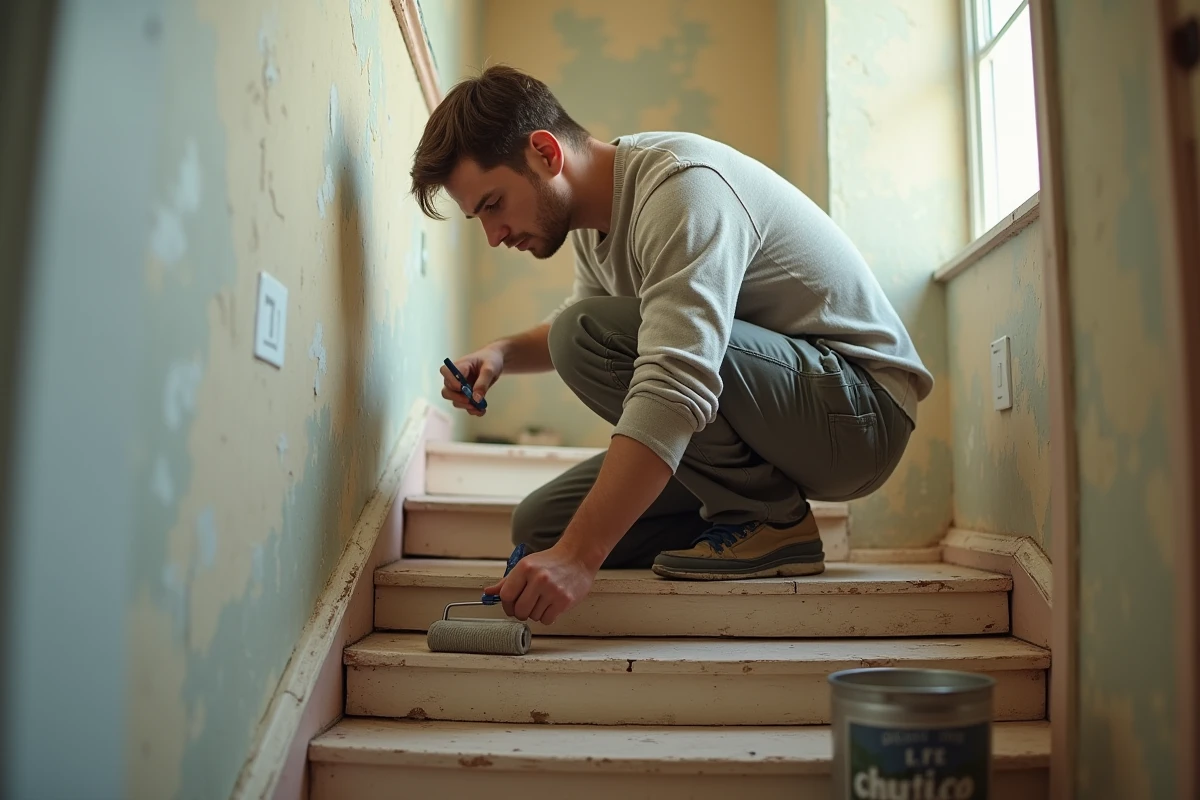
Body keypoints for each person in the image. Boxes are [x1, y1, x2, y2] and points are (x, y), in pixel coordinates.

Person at [409, 65, 932, 627]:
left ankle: (773, 520)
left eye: (492, 204)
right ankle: (744, 518)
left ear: (544, 152)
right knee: (543, 526)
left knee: (586, 339)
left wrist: (580, 559)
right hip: (788, 422)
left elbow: (670, 373)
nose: (493, 236)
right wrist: (503, 353)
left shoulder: (682, 187)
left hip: (861, 416)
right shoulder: (594, 223)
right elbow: (600, 321)